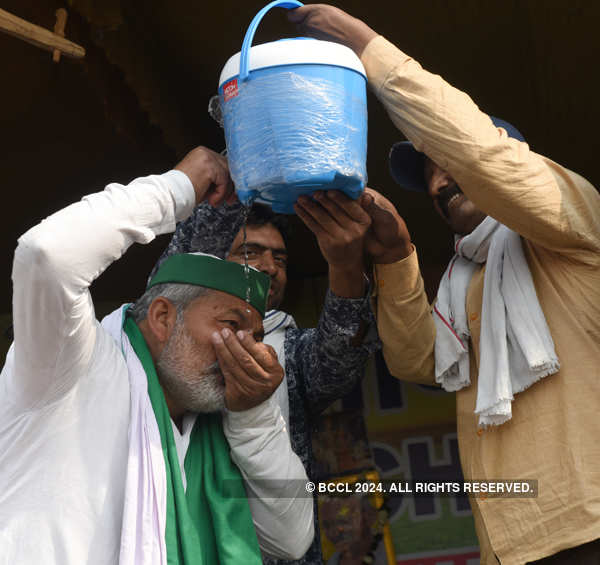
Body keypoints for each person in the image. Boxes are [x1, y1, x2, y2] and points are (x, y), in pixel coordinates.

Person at [288, 5, 600, 565]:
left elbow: (481, 153)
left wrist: (367, 48)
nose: (437, 180)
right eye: (426, 174)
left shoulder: (573, 219)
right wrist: (395, 257)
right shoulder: (465, 278)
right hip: (509, 545)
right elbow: (418, 363)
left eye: (443, 161)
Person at [0, 146, 314, 564]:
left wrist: (254, 416)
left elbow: (292, 540)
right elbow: (47, 253)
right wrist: (175, 189)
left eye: (256, 336)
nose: (248, 348)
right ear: (164, 318)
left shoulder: (220, 424)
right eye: (231, 325)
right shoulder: (73, 364)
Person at [150, 192, 380, 564]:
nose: (269, 267)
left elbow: (339, 355)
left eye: (280, 258)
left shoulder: (290, 350)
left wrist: (345, 264)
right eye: (250, 253)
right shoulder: (168, 332)